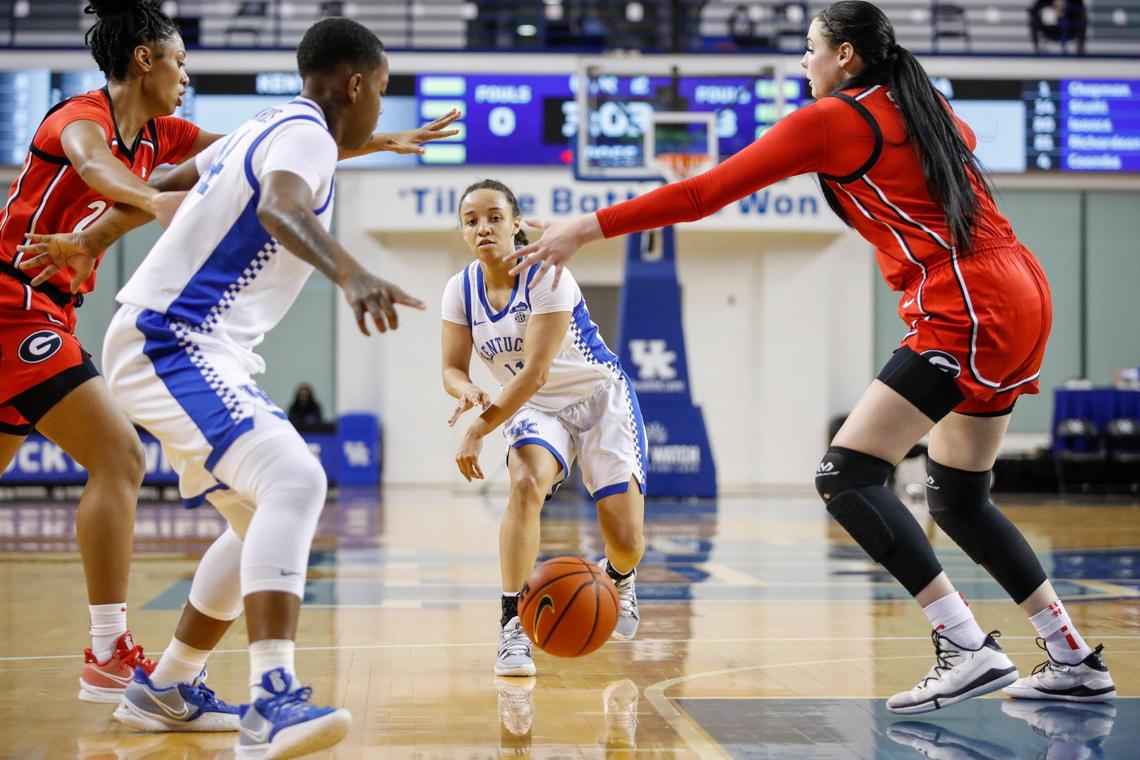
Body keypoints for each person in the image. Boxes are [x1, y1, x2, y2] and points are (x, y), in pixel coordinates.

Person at [507, 0, 1115, 714]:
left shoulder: (831, 120)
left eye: (809, 49)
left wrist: (586, 226)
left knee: (846, 474)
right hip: (1019, 291)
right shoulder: (925, 107)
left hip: (969, 302)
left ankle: (965, 645)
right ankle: (1073, 657)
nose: (803, 62)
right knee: (959, 498)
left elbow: (705, 192)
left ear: (846, 56)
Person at [20, 17, 430, 756]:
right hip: (174, 340)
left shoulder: (265, 125)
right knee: (296, 481)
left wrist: (88, 241)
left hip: (180, 343)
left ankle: (168, 686)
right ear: (357, 84)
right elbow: (278, 206)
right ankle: (275, 698)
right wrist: (353, 271)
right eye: (383, 94)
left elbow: (174, 181)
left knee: (253, 525)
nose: (380, 108)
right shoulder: (301, 135)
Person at [0, 0, 225, 703]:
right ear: (145, 60)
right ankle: (107, 651)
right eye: (180, 62)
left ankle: (107, 649)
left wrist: (362, 140)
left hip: (48, 312)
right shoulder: (79, 118)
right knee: (120, 456)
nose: (186, 77)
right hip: (12, 303)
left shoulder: (164, 135)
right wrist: (159, 205)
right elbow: (94, 166)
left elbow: (259, 144)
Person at [441, 179, 646, 677]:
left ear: (516, 224)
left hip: (599, 399)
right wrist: (464, 388)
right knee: (525, 483)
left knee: (624, 536)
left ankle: (620, 574)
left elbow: (533, 372)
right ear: (463, 231)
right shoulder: (460, 289)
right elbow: (450, 367)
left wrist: (477, 430)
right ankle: (513, 626)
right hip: (536, 411)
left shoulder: (546, 274)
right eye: (471, 220)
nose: (483, 227)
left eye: (494, 216)